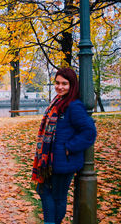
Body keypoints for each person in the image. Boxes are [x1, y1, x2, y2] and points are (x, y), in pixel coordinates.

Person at [32, 67, 96, 224]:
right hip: (52, 161)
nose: (60, 87)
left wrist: (69, 147)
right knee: (43, 190)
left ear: (72, 85)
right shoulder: (58, 101)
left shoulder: (74, 106)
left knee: (57, 196)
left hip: (64, 162)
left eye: (64, 83)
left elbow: (89, 132)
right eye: (57, 83)